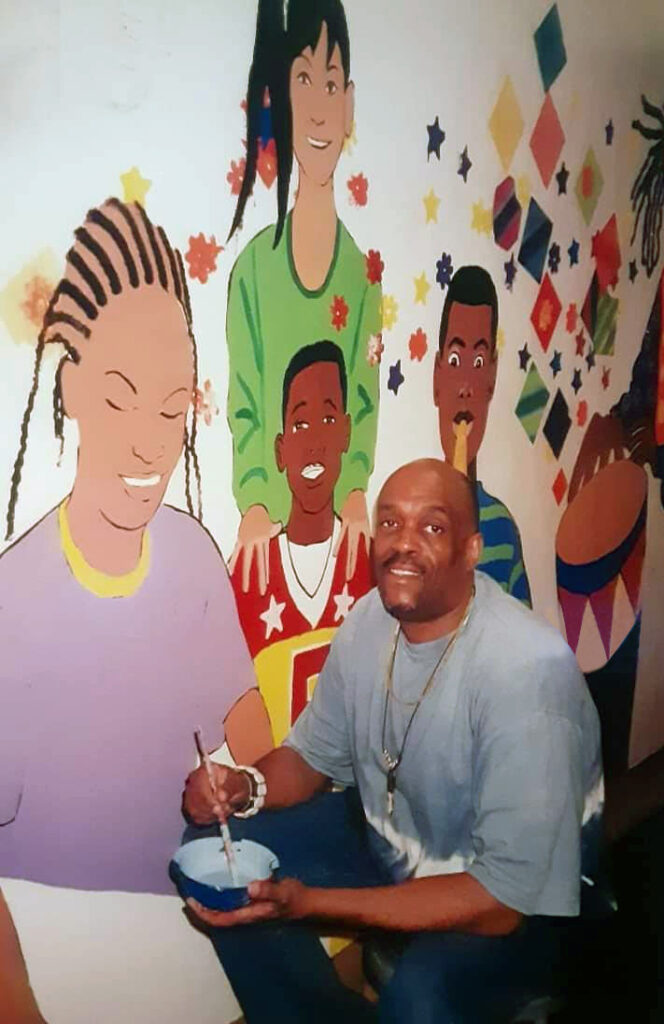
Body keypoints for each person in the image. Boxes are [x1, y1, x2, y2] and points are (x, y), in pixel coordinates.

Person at [184, 459, 603, 1024]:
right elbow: (312, 756)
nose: (403, 544)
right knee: (217, 854)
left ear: (471, 549)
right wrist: (241, 786)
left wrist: (308, 903)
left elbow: (504, 902)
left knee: (418, 996)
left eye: (431, 527)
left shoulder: (527, 673)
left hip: (525, 909)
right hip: (399, 840)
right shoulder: (368, 625)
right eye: (389, 523)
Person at [0, 199, 272, 1021]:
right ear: (72, 387)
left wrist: (243, 787)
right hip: (37, 926)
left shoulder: (191, 556)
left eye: (172, 407)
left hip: (177, 921)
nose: (153, 443)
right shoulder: (14, 599)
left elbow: (253, 729)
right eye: (121, 400)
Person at [226, 0, 382, 597]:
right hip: (270, 543)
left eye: (332, 83)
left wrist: (356, 494)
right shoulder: (251, 275)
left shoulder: (363, 276)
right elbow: (244, 405)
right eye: (303, 80)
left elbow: (363, 399)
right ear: (278, 98)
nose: (320, 107)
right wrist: (258, 501)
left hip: (339, 541)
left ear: (350, 104)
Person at [231, 340, 372, 743]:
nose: (314, 442)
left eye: (328, 421)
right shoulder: (249, 574)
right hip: (275, 799)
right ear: (280, 450)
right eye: (299, 424)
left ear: (346, 432)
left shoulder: (369, 564)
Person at [434, 265, 531, 604]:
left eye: (477, 363)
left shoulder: (502, 528)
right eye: (456, 358)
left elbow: (524, 639)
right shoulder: (412, 524)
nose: (465, 387)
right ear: (437, 376)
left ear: (491, 380)